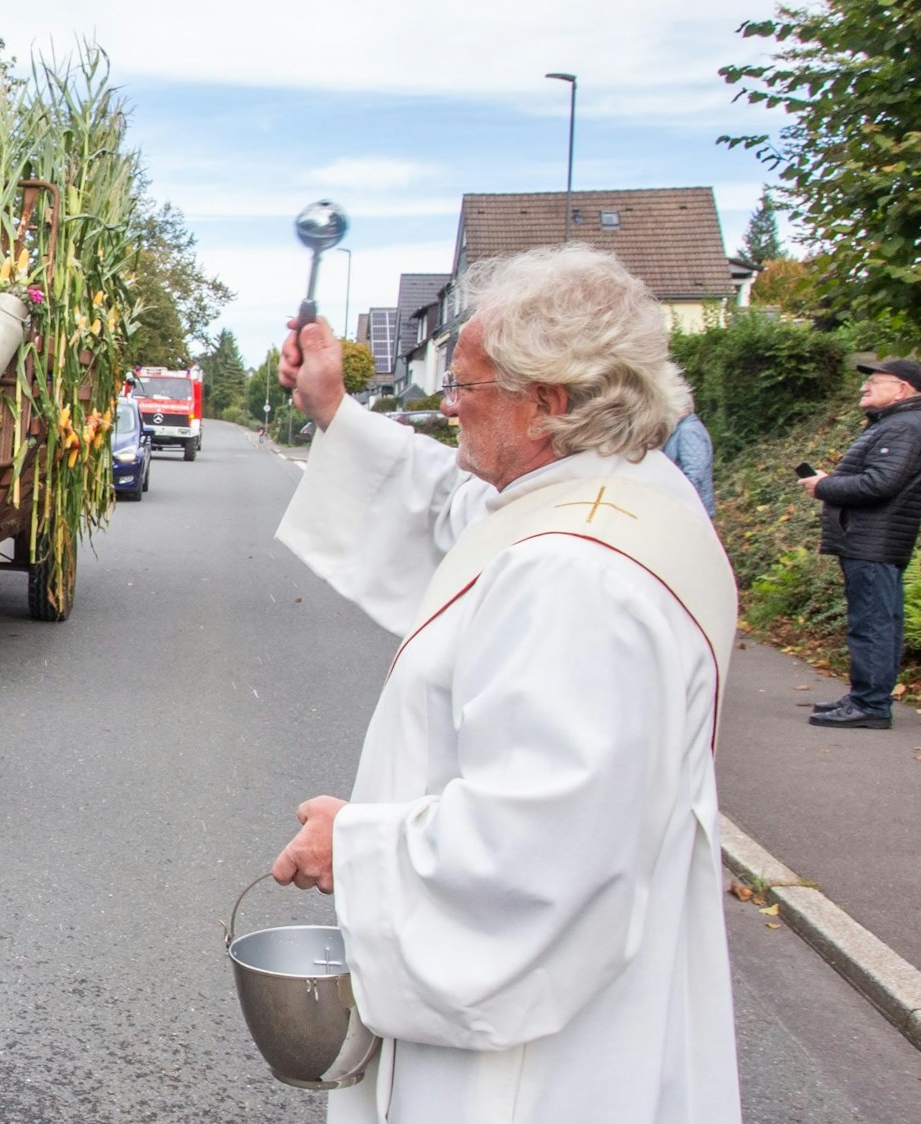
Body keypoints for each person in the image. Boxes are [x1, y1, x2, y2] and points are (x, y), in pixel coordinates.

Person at [268, 245, 740, 1124]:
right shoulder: (625, 493)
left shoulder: (576, 578)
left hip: (536, 1058)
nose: (448, 407)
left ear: (547, 402)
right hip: (609, 980)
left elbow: (540, 848)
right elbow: (452, 509)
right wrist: (334, 408)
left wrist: (357, 844)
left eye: (465, 387)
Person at [800, 358, 921, 729]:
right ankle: (865, 697)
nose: (864, 387)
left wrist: (824, 485)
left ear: (902, 389)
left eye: (875, 381)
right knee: (878, 621)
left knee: (871, 624)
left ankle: (870, 705)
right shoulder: (898, 423)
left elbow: (879, 484)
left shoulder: (903, 426)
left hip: (874, 540)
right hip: (875, 538)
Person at [662, 385, 715, 516]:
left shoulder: (689, 430)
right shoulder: (680, 429)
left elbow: (695, 473)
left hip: (693, 510)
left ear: (683, 408)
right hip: (686, 508)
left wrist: (677, 500)